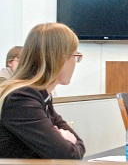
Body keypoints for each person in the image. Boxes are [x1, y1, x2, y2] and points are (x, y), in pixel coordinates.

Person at [0, 23, 85, 159]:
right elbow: (68, 156)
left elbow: (79, 144)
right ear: (61, 58)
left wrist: (68, 140)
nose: (76, 63)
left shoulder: (41, 95)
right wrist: (65, 140)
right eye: (76, 56)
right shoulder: (21, 99)